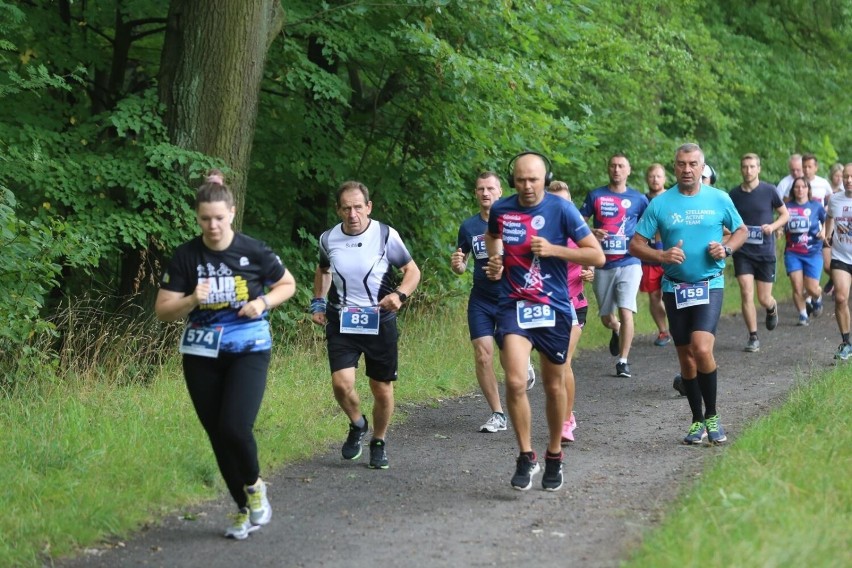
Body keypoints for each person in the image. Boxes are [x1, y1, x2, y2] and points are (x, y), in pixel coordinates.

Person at [154, 170, 296, 540]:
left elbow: (288, 284)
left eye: (219, 218)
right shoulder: (186, 256)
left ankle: (254, 488)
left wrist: (262, 302)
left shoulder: (252, 250)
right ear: (197, 218)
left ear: (232, 213)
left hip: (249, 348)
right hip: (201, 353)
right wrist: (191, 300)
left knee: (235, 425)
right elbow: (163, 309)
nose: (213, 226)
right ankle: (241, 508)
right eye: (205, 219)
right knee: (217, 434)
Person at [485, 152, 604, 491]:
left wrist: (555, 250)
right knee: (515, 380)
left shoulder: (561, 209)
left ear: (544, 178)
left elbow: (597, 255)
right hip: (514, 305)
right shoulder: (502, 210)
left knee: (554, 387)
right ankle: (526, 455)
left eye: (533, 179)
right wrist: (496, 260)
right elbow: (493, 237)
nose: (526, 186)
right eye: (520, 179)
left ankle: (554, 454)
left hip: (554, 308)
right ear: (513, 180)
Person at [629, 142, 747, 445]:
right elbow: (636, 244)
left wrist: (727, 248)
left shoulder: (719, 199)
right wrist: (662, 256)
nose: (687, 169)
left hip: (710, 283)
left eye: (693, 164)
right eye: (681, 164)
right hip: (674, 288)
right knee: (686, 358)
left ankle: (714, 415)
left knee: (702, 348)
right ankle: (697, 420)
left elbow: (741, 230)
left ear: (702, 167)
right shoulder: (661, 204)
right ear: (674, 167)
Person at [311, 181, 421, 470]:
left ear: (368, 207)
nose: (352, 214)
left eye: (358, 207)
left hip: (379, 321)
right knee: (341, 383)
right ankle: (358, 423)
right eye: (346, 208)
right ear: (338, 210)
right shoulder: (328, 239)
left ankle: (379, 440)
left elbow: (412, 271)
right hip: (342, 320)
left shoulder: (385, 235)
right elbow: (323, 270)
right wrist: (318, 302)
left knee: (381, 388)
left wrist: (400, 295)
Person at [451, 171, 523, 434]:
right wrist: (458, 266)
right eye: (480, 189)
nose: (485, 193)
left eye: (490, 188)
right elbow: (462, 262)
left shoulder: (514, 222)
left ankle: (523, 364)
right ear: (475, 193)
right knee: (483, 355)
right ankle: (497, 413)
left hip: (509, 298)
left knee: (510, 359)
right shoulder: (468, 227)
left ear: (500, 191)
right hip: (480, 299)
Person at [579, 154, 648, 378]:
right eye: (613, 166)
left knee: (627, 310)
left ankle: (623, 361)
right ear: (608, 169)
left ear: (629, 170)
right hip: (603, 263)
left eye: (621, 166)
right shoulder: (596, 195)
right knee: (607, 317)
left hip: (630, 261)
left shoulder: (639, 199)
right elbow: (577, 224)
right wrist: (591, 232)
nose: (617, 169)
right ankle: (616, 329)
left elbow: (650, 226)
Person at [547, 180, 595, 443]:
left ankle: (567, 421)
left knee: (563, 361)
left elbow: (594, 259)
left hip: (574, 305)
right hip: (543, 306)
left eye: (566, 202)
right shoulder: (538, 231)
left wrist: (590, 271)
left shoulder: (580, 232)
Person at [728, 153, 789, 353]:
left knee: (764, 298)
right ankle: (753, 336)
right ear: (741, 169)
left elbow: (785, 215)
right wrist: (732, 232)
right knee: (746, 292)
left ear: (759, 169)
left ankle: (771, 308)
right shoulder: (733, 195)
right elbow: (727, 220)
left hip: (765, 252)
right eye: (745, 167)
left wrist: (772, 227)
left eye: (752, 166)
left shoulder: (769, 190)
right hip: (743, 251)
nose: (748, 170)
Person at [784, 177, 826, 326]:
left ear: (808, 189)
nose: (800, 190)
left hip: (813, 251)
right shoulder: (787, 207)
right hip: (793, 251)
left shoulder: (816, 206)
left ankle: (817, 297)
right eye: (797, 187)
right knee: (797, 285)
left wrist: (824, 231)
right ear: (793, 190)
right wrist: (776, 231)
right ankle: (803, 315)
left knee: (812, 288)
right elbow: (781, 223)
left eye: (803, 187)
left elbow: (826, 220)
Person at [641, 163, 672, 347]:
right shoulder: (641, 200)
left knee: (672, 295)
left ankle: (680, 326)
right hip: (650, 256)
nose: (655, 179)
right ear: (647, 179)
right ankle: (663, 331)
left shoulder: (672, 198)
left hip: (673, 253)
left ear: (665, 179)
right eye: (652, 176)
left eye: (658, 176)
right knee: (654, 296)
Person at [824, 163, 852, 361]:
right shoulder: (835, 199)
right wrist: (827, 233)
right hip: (841, 256)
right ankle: (846, 343)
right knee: (841, 298)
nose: (849, 181)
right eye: (846, 177)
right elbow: (829, 216)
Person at [821, 163, 844, 296]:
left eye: (842, 176)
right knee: (827, 265)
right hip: (827, 226)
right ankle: (834, 278)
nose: (839, 178)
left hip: (842, 229)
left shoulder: (846, 192)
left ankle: (840, 284)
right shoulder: (826, 189)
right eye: (837, 175)